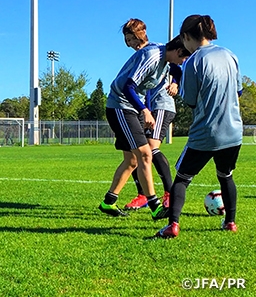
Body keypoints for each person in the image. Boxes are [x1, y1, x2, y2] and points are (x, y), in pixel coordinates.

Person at [156, 15, 243, 238]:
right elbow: (238, 92)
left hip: (206, 132)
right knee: (226, 175)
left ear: (186, 37)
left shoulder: (193, 62)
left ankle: (172, 225)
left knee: (182, 179)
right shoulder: (230, 55)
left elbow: (190, 100)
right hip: (234, 131)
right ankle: (230, 222)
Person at [98, 35, 190, 220]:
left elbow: (177, 71)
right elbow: (128, 87)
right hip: (121, 107)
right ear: (178, 51)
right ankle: (155, 206)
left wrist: (174, 83)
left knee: (132, 161)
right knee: (146, 154)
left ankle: (108, 202)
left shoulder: (166, 58)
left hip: (133, 109)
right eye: (184, 57)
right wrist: (145, 111)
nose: (183, 61)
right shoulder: (153, 56)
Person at [121, 19, 180, 211]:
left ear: (140, 35)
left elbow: (177, 68)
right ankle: (143, 195)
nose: (129, 43)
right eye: (127, 40)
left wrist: (175, 83)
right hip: (144, 108)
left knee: (151, 149)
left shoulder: (156, 51)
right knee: (136, 152)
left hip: (161, 105)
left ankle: (169, 193)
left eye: (131, 38)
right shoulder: (140, 55)